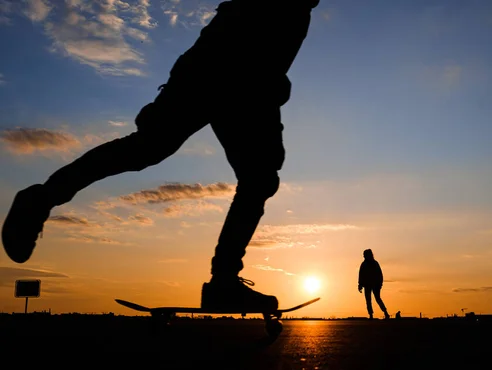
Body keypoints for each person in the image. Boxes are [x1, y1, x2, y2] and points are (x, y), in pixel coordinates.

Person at [1, 0, 320, 314]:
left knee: (160, 151)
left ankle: (41, 198)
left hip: (224, 76)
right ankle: (223, 280)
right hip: (227, 76)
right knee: (251, 176)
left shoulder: (298, 14)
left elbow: (260, 54)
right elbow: (246, 42)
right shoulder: (284, 12)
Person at [358, 249, 390, 319]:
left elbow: (379, 274)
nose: (363, 256)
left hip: (375, 284)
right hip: (368, 285)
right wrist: (360, 285)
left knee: (377, 299)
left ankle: (385, 312)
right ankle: (371, 314)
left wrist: (380, 283)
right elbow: (361, 275)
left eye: (365, 254)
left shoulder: (374, 264)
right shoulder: (365, 264)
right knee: (369, 300)